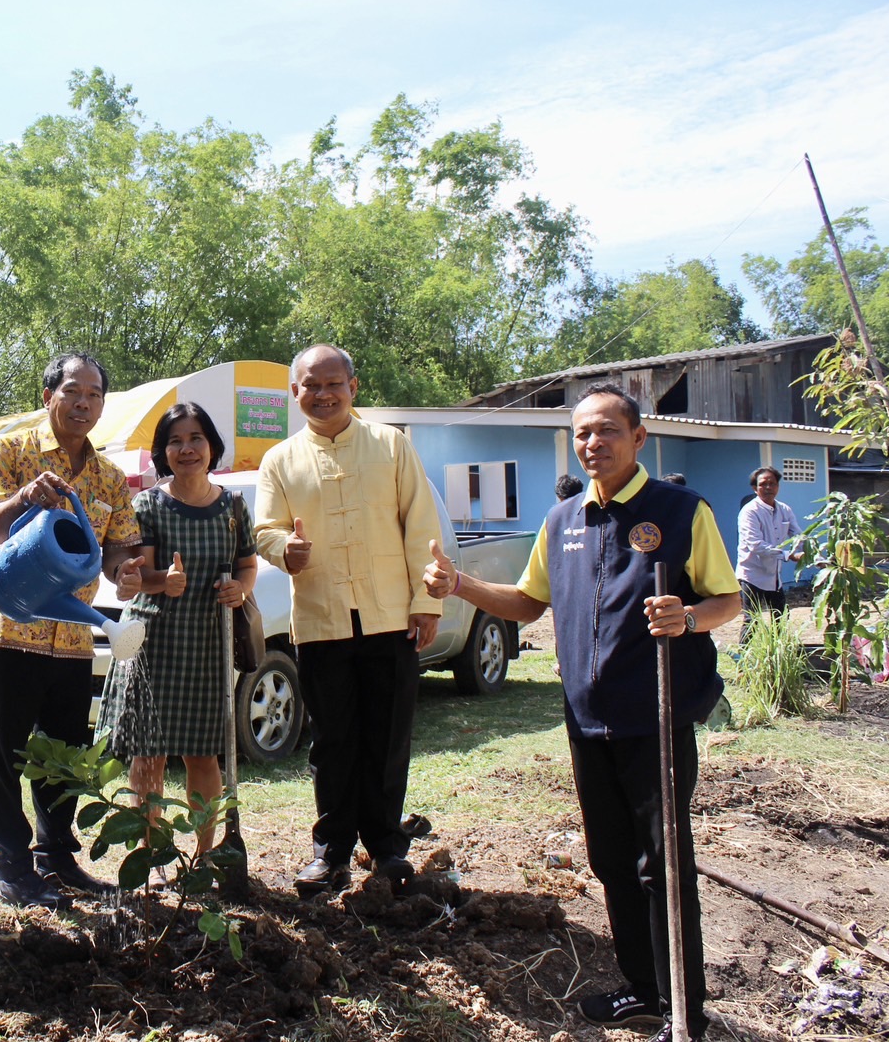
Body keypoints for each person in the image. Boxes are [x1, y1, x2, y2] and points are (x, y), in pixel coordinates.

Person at [422, 383, 740, 1042]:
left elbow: (725, 599)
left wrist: (687, 618)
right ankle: (642, 989)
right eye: (583, 434)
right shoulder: (562, 520)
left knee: (662, 862)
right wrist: (458, 583)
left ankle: (686, 1009)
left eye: (606, 431)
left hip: (653, 716)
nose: (592, 443)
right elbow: (525, 602)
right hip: (585, 719)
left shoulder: (680, 510)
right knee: (610, 859)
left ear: (638, 438)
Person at [253, 344, 442, 895]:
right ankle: (330, 850)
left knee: (387, 737)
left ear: (353, 388)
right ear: (295, 394)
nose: (323, 394)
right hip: (321, 620)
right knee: (333, 740)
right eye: (311, 385)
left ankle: (385, 846)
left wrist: (425, 604)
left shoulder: (391, 445)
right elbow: (264, 529)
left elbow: (420, 526)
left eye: (333, 383)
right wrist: (285, 548)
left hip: (389, 617)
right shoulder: (279, 460)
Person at [0, 352, 144, 908]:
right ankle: (12, 862)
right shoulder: (12, 450)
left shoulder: (109, 476)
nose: (84, 403)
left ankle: (57, 857)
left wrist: (126, 570)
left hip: (74, 639)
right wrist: (24, 497)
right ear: (49, 394)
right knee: (6, 751)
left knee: (65, 750)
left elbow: (119, 547)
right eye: (73, 391)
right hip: (16, 629)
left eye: (94, 395)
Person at [98, 402, 257, 860]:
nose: (186, 449)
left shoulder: (233, 507)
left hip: (207, 643)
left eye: (195, 439)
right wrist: (160, 581)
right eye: (175, 441)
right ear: (162, 452)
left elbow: (247, 565)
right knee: (148, 755)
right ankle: (150, 851)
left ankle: (203, 855)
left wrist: (240, 591)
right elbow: (136, 576)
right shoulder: (147, 506)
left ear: (212, 447)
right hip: (156, 640)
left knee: (203, 755)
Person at [735, 466, 804, 641]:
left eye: (772, 484)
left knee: (780, 617)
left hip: (774, 576)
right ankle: (745, 661)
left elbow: (798, 536)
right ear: (755, 488)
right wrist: (789, 555)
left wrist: (815, 556)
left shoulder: (784, 510)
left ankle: (778, 657)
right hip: (752, 575)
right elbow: (756, 545)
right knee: (752, 619)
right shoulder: (750, 512)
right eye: (763, 484)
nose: (768, 488)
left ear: (777, 487)